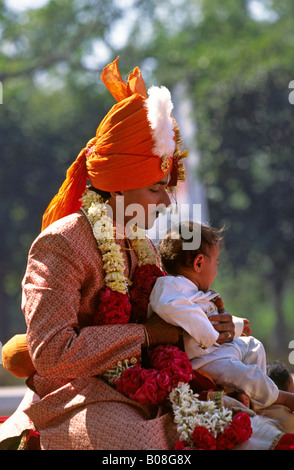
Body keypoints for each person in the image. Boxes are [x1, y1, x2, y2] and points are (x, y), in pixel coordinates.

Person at [0, 58, 237, 451]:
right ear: (119, 188)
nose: (165, 202)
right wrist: (145, 334)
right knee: (140, 443)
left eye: (166, 187)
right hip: (72, 398)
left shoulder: (143, 246)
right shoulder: (62, 243)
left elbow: (168, 319)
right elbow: (51, 354)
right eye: (155, 189)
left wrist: (208, 323)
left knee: (235, 412)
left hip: (147, 386)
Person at [149, 221, 294, 413]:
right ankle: (280, 398)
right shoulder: (170, 285)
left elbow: (213, 319)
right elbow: (169, 306)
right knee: (243, 373)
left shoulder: (200, 292)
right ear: (199, 262)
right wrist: (207, 334)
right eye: (216, 262)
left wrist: (237, 325)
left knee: (254, 346)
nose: (217, 269)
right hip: (204, 360)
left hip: (220, 351)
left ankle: (254, 398)